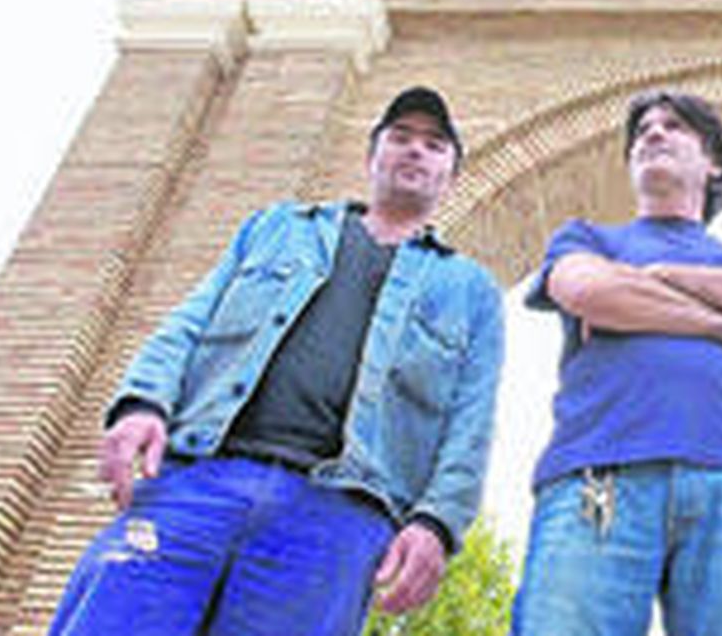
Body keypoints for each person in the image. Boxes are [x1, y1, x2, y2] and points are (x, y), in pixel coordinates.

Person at [50, 86, 505, 636]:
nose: (415, 150)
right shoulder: (277, 228)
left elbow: (469, 424)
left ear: (451, 175)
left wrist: (437, 524)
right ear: (372, 156)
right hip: (199, 478)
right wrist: (141, 404)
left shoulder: (470, 290)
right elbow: (187, 325)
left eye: (435, 145)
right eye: (401, 137)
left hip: (338, 516)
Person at [511, 90, 722, 636]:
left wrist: (664, 277)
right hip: (599, 473)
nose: (652, 133)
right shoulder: (586, 237)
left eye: (674, 126)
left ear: (714, 163)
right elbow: (588, 290)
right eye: (642, 130)